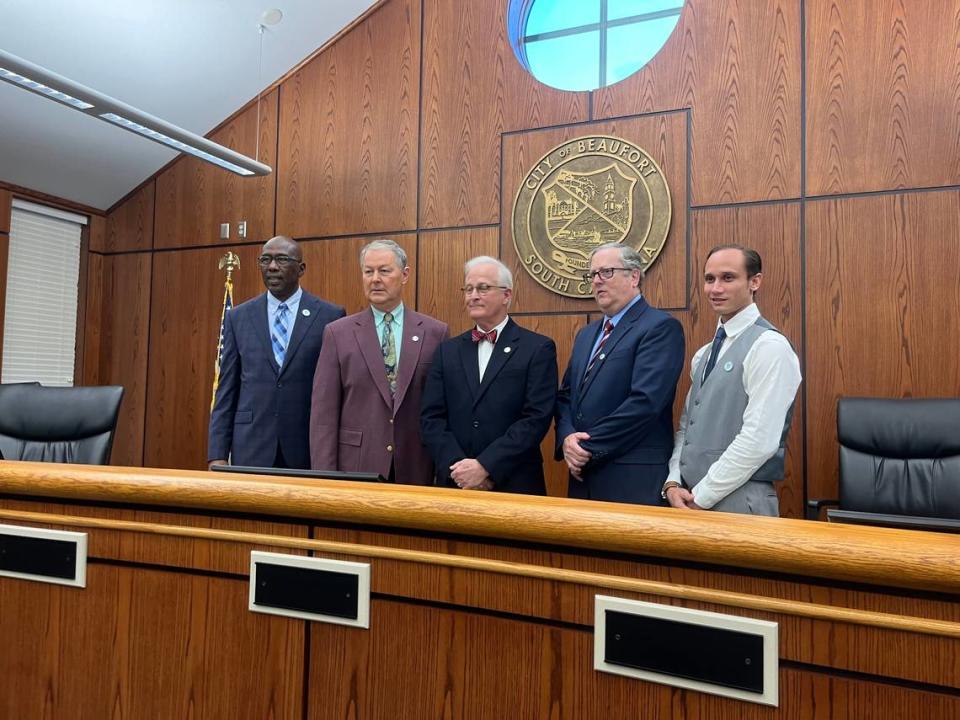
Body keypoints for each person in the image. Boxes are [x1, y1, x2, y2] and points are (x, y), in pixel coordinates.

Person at [663, 245, 801, 516]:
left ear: (755, 282)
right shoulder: (703, 354)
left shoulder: (770, 347)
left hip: (740, 504)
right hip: (690, 501)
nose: (715, 288)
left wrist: (701, 496)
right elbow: (686, 429)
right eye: (709, 279)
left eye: (728, 278)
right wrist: (673, 481)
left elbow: (759, 440)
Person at [555, 242, 685, 504]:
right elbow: (565, 396)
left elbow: (645, 403)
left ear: (634, 276)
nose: (597, 281)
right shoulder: (586, 334)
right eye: (592, 275)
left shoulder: (660, 327)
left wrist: (585, 448)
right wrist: (567, 437)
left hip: (630, 480)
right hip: (583, 479)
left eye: (606, 272)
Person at [310, 239, 447, 484]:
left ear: (405, 275)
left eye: (384, 271)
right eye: (368, 271)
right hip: (356, 466)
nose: (375, 279)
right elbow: (324, 414)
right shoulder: (337, 333)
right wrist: (324, 476)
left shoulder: (435, 332)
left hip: (416, 466)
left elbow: (443, 411)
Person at [421, 256, 557, 494]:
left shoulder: (537, 348)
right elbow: (432, 418)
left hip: (514, 484)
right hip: (455, 484)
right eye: (469, 289)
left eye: (483, 288)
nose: (473, 295)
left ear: (507, 295)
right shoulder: (447, 351)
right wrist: (461, 470)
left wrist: (486, 467)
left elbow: (536, 419)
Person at [208, 235, 345, 469]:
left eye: (281, 259)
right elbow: (226, 391)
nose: (272, 267)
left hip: (305, 450)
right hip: (250, 448)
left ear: (301, 269)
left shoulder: (329, 316)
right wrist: (217, 454)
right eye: (265, 260)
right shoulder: (239, 317)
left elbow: (334, 393)